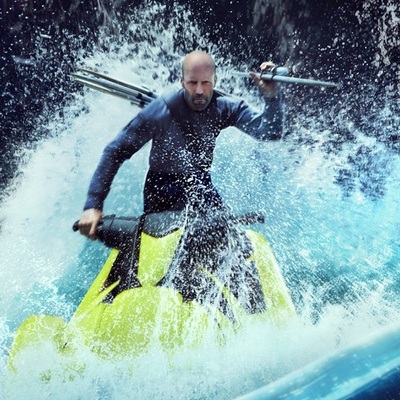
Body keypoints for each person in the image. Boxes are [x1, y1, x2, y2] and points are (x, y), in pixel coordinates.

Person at [77, 50, 284, 240]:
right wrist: (93, 205)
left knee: (228, 240)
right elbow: (115, 151)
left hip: (200, 185)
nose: (199, 91)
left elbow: (270, 133)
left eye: (205, 83)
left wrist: (272, 96)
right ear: (182, 81)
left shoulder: (225, 106)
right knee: (170, 249)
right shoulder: (161, 110)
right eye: (192, 83)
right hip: (162, 189)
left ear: (215, 80)